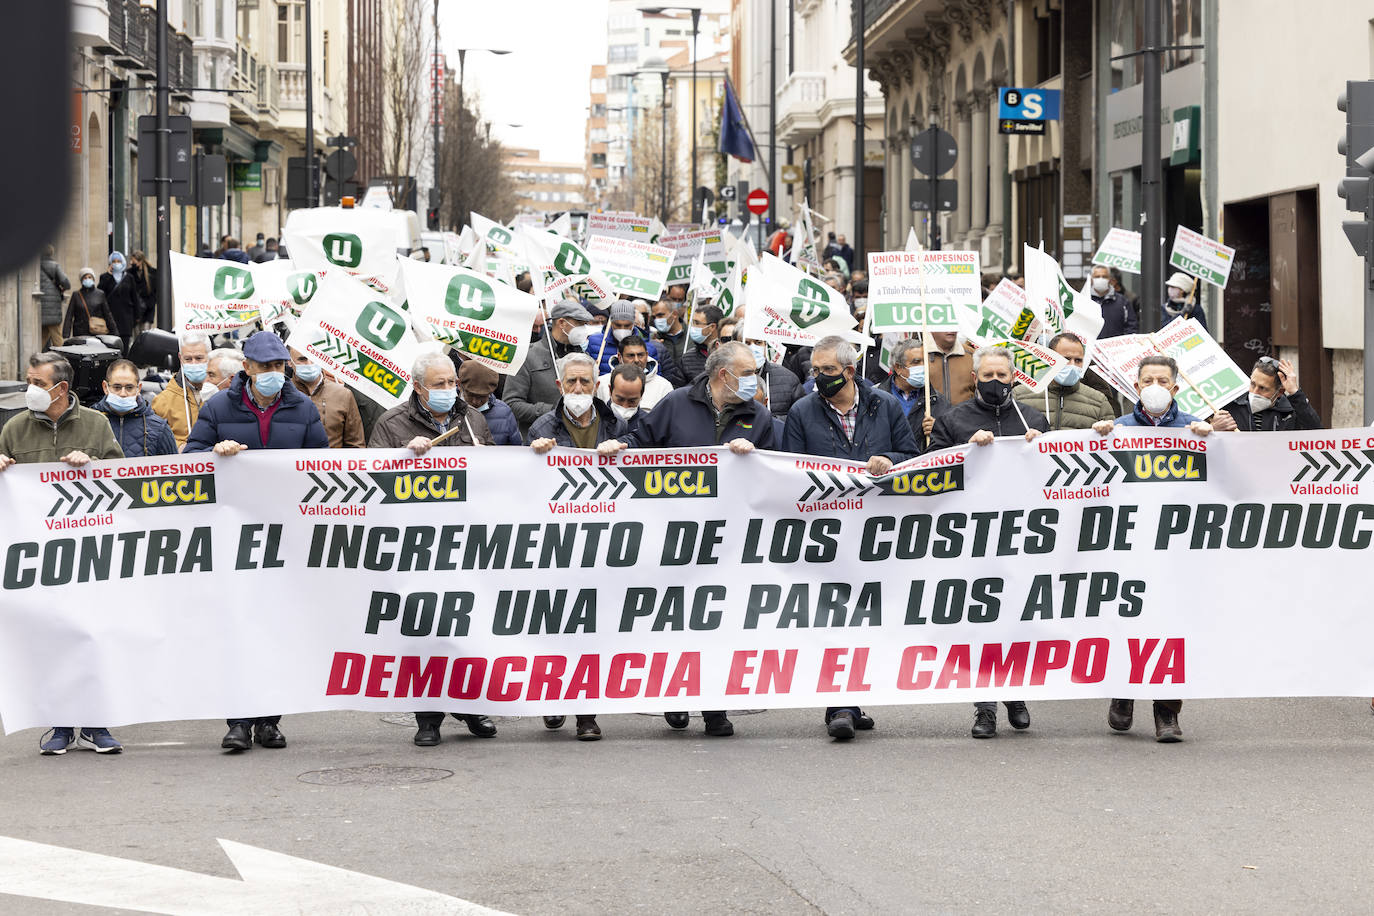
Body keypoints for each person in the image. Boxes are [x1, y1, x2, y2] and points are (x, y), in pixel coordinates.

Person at [599, 341, 774, 739]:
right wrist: (619, 447)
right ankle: (675, 695)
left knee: (717, 621)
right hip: (672, 536)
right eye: (747, 374)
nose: (753, 381)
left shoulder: (758, 415)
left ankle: (715, 708)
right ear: (722, 374)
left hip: (727, 540)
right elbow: (641, 443)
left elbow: (777, 470)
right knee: (675, 622)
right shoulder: (676, 403)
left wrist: (756, 456)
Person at [184, 331, 330, 752]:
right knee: (239, 626)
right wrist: (216, 454)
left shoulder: (302, 408)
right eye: (265, 367)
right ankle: (238, 721)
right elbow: (191, 458)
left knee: (279, 629)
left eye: (279, 367)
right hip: (235, 536)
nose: (273, 375)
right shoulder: (217, 407)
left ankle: (269, 720)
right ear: (246, 368)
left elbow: (320, 465)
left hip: (287, 536)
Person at [782, 336, 919, 740]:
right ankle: (839, 704)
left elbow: (912, 455)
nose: (818, 377)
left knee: (867, 616)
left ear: (849, 371)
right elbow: (789, 468)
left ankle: (852, 699)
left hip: (875, 532)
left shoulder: (885, 405)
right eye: (814, 371)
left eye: (826, 371)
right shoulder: (802, 411)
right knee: (833, 614)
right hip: (825, 530)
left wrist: (889, 460)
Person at [366, 352, 496, 745]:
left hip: (465, 541)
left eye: (452, 383)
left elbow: (494, 472)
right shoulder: (392, 424)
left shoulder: (472, 420)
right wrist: (402, 460)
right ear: (418, 386)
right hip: (417, 545)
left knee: (467, 627)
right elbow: (373, 480)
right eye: (438, 385)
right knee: (424, 632)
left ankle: (472, 707)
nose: (447, 391)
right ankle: (428, 718)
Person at [0, 352, 125, 755]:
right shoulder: (14, 428)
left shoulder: (96, 424)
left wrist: (92, 464)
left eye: (38, 383)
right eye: (29, 381)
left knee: (92, 636)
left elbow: (120, 479)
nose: (30, 390)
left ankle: (96, 723)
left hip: (88, 553)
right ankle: (60, 725)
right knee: (51, 639)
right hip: (39, 556)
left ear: (62, 388)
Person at [928, 346, 1049, 739]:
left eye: (1002, 375)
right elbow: (931, 472)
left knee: (1015, 619)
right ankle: (984, 707)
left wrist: (1040, 448)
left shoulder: (1032, 418)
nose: (995, 382)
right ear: (975, 378)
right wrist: (962, 452)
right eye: (988, 375)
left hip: (1023, 536)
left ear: (1013, 378)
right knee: (978, 622)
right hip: (972, 537)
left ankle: (1014, 693)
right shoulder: (954, 420)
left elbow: (1052, 476)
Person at [1092, 354, 1212, 742]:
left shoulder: (1195, 429)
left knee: (1172, 627)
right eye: (1147, 380)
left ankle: (1167, 712)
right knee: (1126, 622)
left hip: (1176, 550)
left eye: (1162, 380)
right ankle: (1123, 692)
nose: (1154, 386)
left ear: (1175, 387)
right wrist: (1097, 439)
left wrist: (1218, 438)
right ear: (1136, 386)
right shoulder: (1119, 428)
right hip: (1127, 547)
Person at [504, 299, 596, 437]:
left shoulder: (584, 358)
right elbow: (511, 403)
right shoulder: (528, 356)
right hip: (541, 440)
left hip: (578, 440)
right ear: (562, 323)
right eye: (579, 324)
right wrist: (553, 410)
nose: (583, 329)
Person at [1013, 333, 1116, 430]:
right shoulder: (1019, 396)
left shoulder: (1099, 402)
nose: (1072, 365)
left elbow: (1111, 442)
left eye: (1078, 360)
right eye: (1066, 359)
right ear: (1051, 358)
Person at [1209, 357, 1322, 432]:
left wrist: (1295, 393)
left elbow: (1318, 435)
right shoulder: (1230, 405)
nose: (1254, 392)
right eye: (1253, 384)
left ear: (1279, 393)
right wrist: (1213, 428)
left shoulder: (1291, 412)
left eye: (1263, 388)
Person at [93, 359, 177, 457]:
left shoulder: (159, 429)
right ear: (105, 387)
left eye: (129, 388)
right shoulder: (89, 422)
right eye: (117, 387)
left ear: (139, 388)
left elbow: (174, 468)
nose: (123, 394)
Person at [288, 347, 365, 448]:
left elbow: (356, 446)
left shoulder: (343, 395)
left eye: (314, 357)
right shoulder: (281, 394)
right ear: (289, 362)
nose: (309, 363)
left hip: (332, 463)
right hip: (293, 463)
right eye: (302, 359)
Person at [877, 337, 947, 444]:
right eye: (916, 362)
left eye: (925, 361)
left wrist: (938, 429)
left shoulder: (937, 401)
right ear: (898, 368)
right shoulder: (876, 398)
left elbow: (950, 440)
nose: (923, 367)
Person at [151, 332, 213, 449]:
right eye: (188, 359)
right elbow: (154, 439)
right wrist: (178, 447)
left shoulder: (223, 393)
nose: (194, 364)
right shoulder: (163, 401)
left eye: (199, 358)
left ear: (210, 356)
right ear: (180, 358)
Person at [596, 335, 673, 411]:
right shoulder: (602, 384)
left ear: (646, 355)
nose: (636, 360)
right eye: (630, 355)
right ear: (620, 357)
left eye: (640, 355)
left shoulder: (663, 387)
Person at [458, 360, 522, 446]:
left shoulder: (504, 412)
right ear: (459, 385)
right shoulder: (449, 411)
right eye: (470, 395)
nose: (475, 401)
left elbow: (517, 451)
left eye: (482, 397)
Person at [742, 337, 801, 418]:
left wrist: (772, 422)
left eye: (758, 342)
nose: (753, 348)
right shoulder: (727, 379)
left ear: (765, 345)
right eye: (747, 343)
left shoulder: (789, 379)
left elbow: (800, 417)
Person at [98, 251, 143, 348]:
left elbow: (134, 297)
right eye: (114, 261)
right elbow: (100, 293)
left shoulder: (129, 277)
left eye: (118, 261)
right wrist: (109, 275)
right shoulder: (104, 277)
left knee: (125, 346)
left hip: (126, 318)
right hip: (110, 317)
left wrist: (137, 316)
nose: (116, 263)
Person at [62, 267, 116, 341]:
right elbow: (69, 315)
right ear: (81, 280)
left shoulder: (100, 294)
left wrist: (114, 332)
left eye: (90, 277)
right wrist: (66, 334)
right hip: (80, 333)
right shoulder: (76, 295)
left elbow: (107, 314)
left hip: (96, 331)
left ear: (93, 279)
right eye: (85, 278)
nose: (87, 279)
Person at [925, 330, 977, 406]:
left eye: (953, 325)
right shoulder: (919, 354)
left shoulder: (972, 354)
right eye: (945, 325)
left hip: (964, 416)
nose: (950, 330)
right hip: (930, 417)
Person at [650, 297, 688, 385]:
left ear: (674, 314)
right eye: (654, 317)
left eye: (660, 315)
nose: (657, 320)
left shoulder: (691, 337)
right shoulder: (653, 340)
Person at [1090, 265, 1137, 339]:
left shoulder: (1123, 302)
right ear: (1091, 279)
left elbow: (1131, 327)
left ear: (1110, 279)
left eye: (1104, 276)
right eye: (1097, 276)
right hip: (1091, 348)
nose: (1100, 279)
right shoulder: (1085, 300)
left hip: (1116, 348)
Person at [680, 304, 723, 382]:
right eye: (692, 323)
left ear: (712, 327)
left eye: (697, 323)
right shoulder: (687, 358)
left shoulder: (728, 354)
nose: (693, 327)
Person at [38, 245, 70, 349]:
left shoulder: (36, 267)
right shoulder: (54, 266)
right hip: (52, 309)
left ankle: (34, 359)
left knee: (43, 336)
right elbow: (66, 283)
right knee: (57, 338)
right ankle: (64, 360)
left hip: (40, 307)